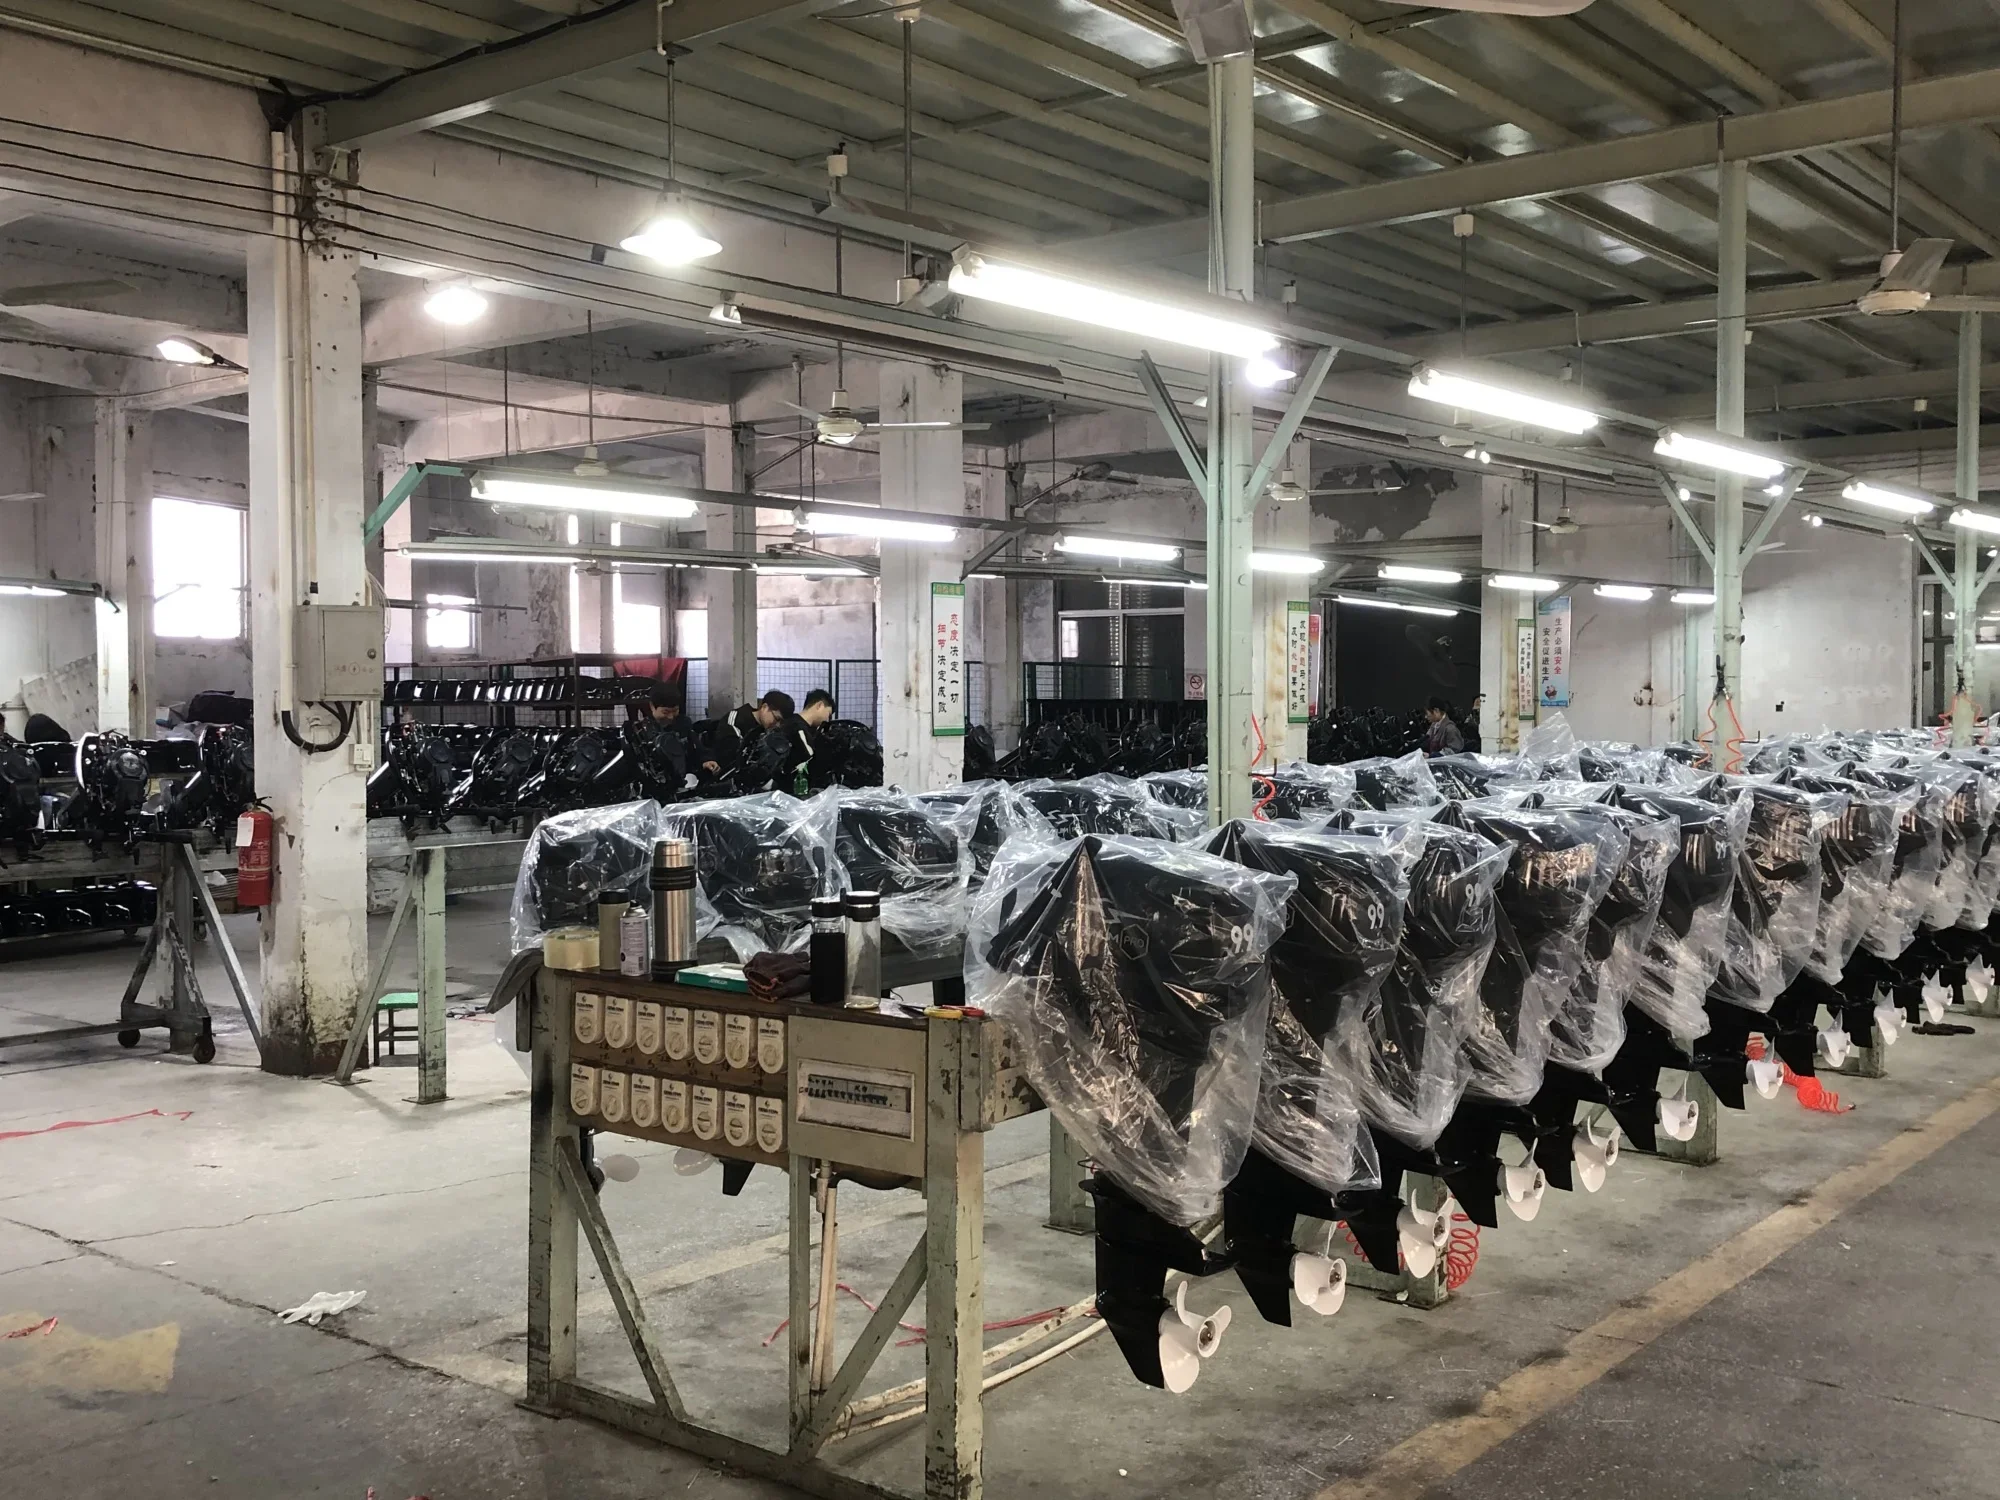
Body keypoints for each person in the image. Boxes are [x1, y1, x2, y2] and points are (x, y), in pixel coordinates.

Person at [699, 689, 794, 782]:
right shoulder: (736, 720)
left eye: (781, 722)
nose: (777, 725)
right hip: (724, 777)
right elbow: (731, 758)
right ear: (765, 707)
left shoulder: (769, 730)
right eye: (777, 719)